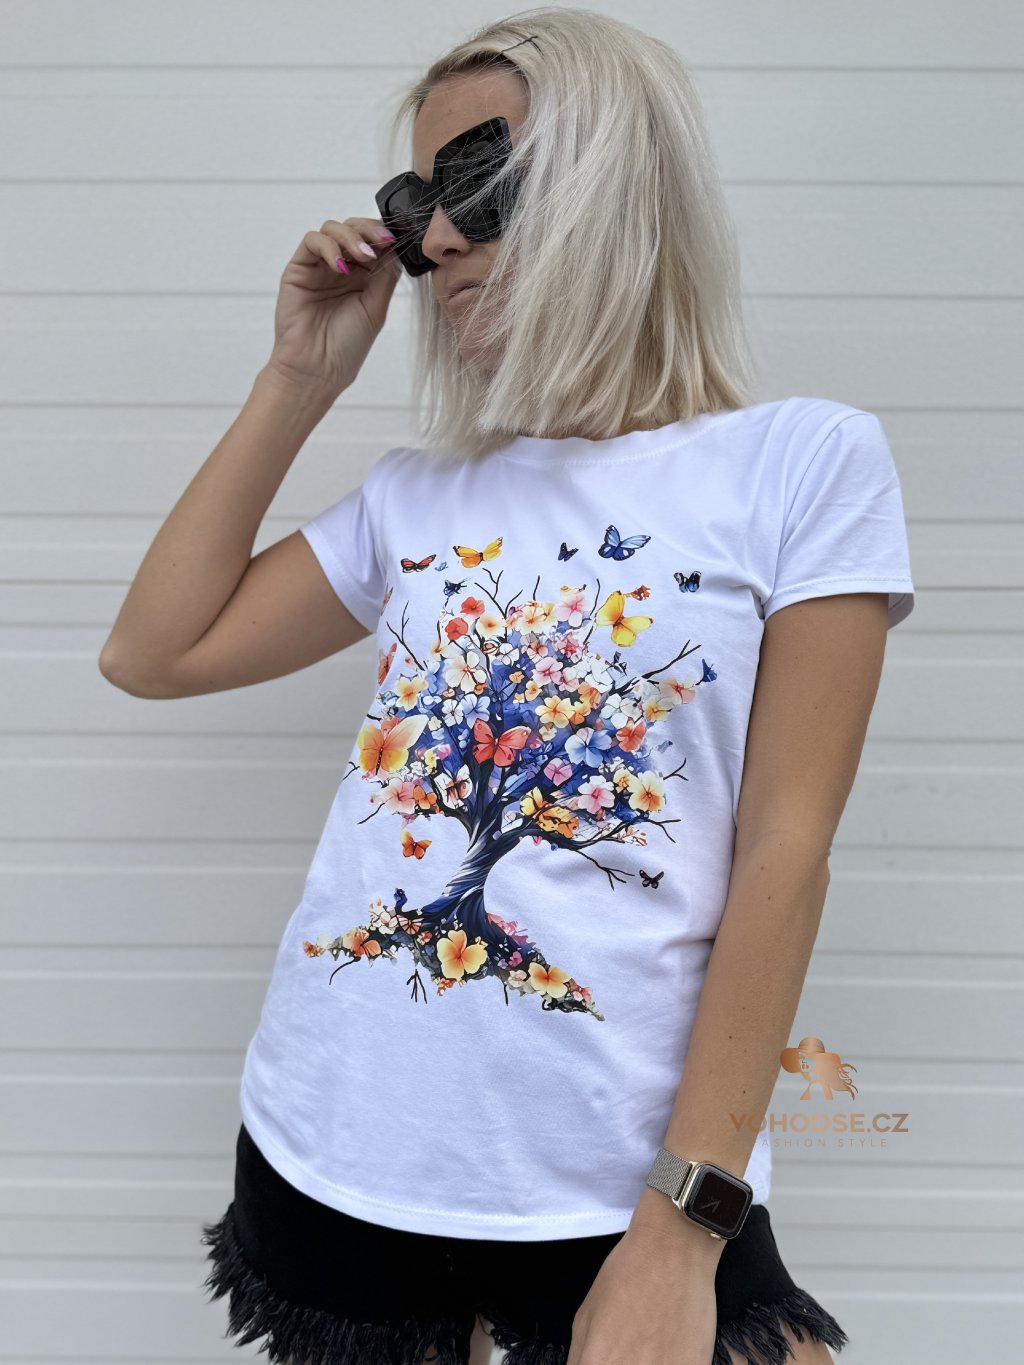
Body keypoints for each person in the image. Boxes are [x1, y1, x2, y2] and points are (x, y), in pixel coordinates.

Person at [98, 8, 915, 1364]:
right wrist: (299, 377)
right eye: (412, 203)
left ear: (616, 184)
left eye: (477, 185)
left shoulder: (800, 465)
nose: (433, 240)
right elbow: (153, 652)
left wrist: (686, 1227)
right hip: (342, 1136)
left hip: (626, 1179)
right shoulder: (418, 496)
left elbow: (787, 849)